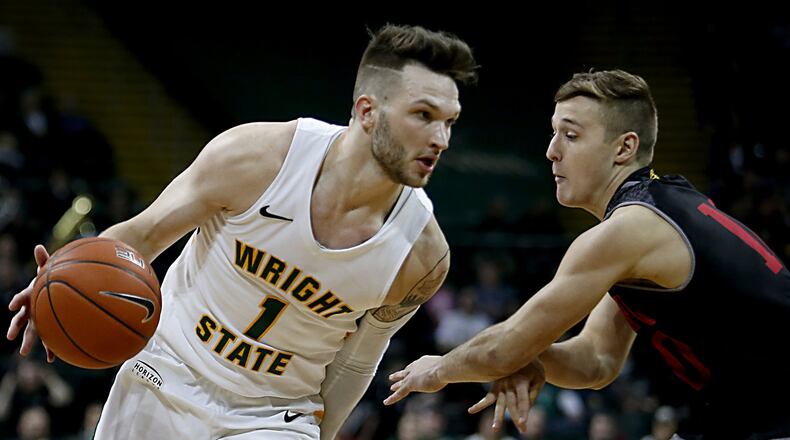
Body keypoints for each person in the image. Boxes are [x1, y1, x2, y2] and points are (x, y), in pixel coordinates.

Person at [7, 24, 478, 439]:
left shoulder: (422, 256)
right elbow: (144, 234)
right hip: (167, 372)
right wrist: (57, 280)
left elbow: (356, 361)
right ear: (367, 110)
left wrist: (323, 433)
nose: (441, 139)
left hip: (274, 419)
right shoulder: (256, 157)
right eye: (423, 115)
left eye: (449, 122)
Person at [384, 70, 790, 439]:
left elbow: (503, 347)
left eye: (571, 135)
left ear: (624, 148)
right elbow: (596, 360)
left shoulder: (631, 229)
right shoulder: (654, 213)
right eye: (553, 133)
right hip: (742, 415)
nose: (551, 152)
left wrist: (439, 368)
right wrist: (533, 358)